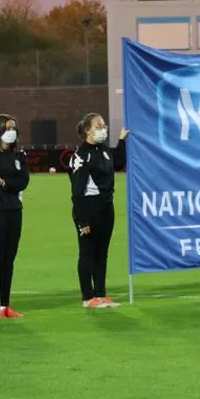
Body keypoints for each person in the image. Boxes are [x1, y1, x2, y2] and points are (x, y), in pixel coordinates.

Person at [68, 113, 128, 308]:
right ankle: (88, 297)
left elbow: (118, 163)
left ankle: (101, 294)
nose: (103, 129)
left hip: (106, 208)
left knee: (102, 253)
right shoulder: (81, 156)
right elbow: (77, 192)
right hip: (89, 208)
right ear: (88, 130)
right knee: (87, 253)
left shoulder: (104, 150)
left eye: (104, 125)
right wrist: (81, 220)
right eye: (98, 126)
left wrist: (122, 141)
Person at [0, 114, 30, 319]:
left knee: (9, 259)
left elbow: (23, 181)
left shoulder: (19, 156)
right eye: (8, 128)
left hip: (14, 210)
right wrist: (3, 183)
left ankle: (4, 305)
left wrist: (3, 182)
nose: (12, 132)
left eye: (14, 128)